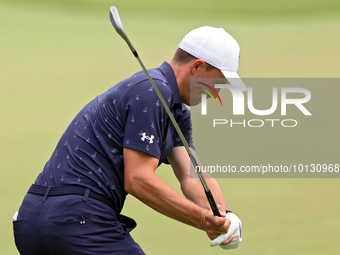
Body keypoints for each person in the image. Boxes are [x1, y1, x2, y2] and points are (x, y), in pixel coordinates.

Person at [13, 26, 243, 255]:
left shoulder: (175, 109)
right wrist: (202, 219)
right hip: (77, 218)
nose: (217, 94)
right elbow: (138, 179)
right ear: (197, 67)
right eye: (218, 83)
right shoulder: (153, 92)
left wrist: (225, 216)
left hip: (32, 220)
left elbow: (191, 176)